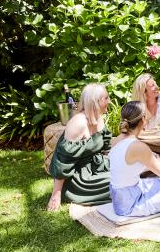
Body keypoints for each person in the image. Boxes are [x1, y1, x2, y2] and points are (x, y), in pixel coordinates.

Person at [109, 101, 160, 217]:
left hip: (120, 195)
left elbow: (125, 168)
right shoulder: (138, 146)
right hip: (130, 204)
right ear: (143, 120)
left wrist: (148, 163)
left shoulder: (115, 140)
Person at [47, 83, 112, 211]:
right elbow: (63, 162)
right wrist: (56, 194)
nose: (109, 101)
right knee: (117, 183)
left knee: (125, 174)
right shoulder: (78, 123)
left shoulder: (99, 118)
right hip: (78, 179)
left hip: (95, 167)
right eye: (106, 98)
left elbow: (106, 149)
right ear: (95, 101)